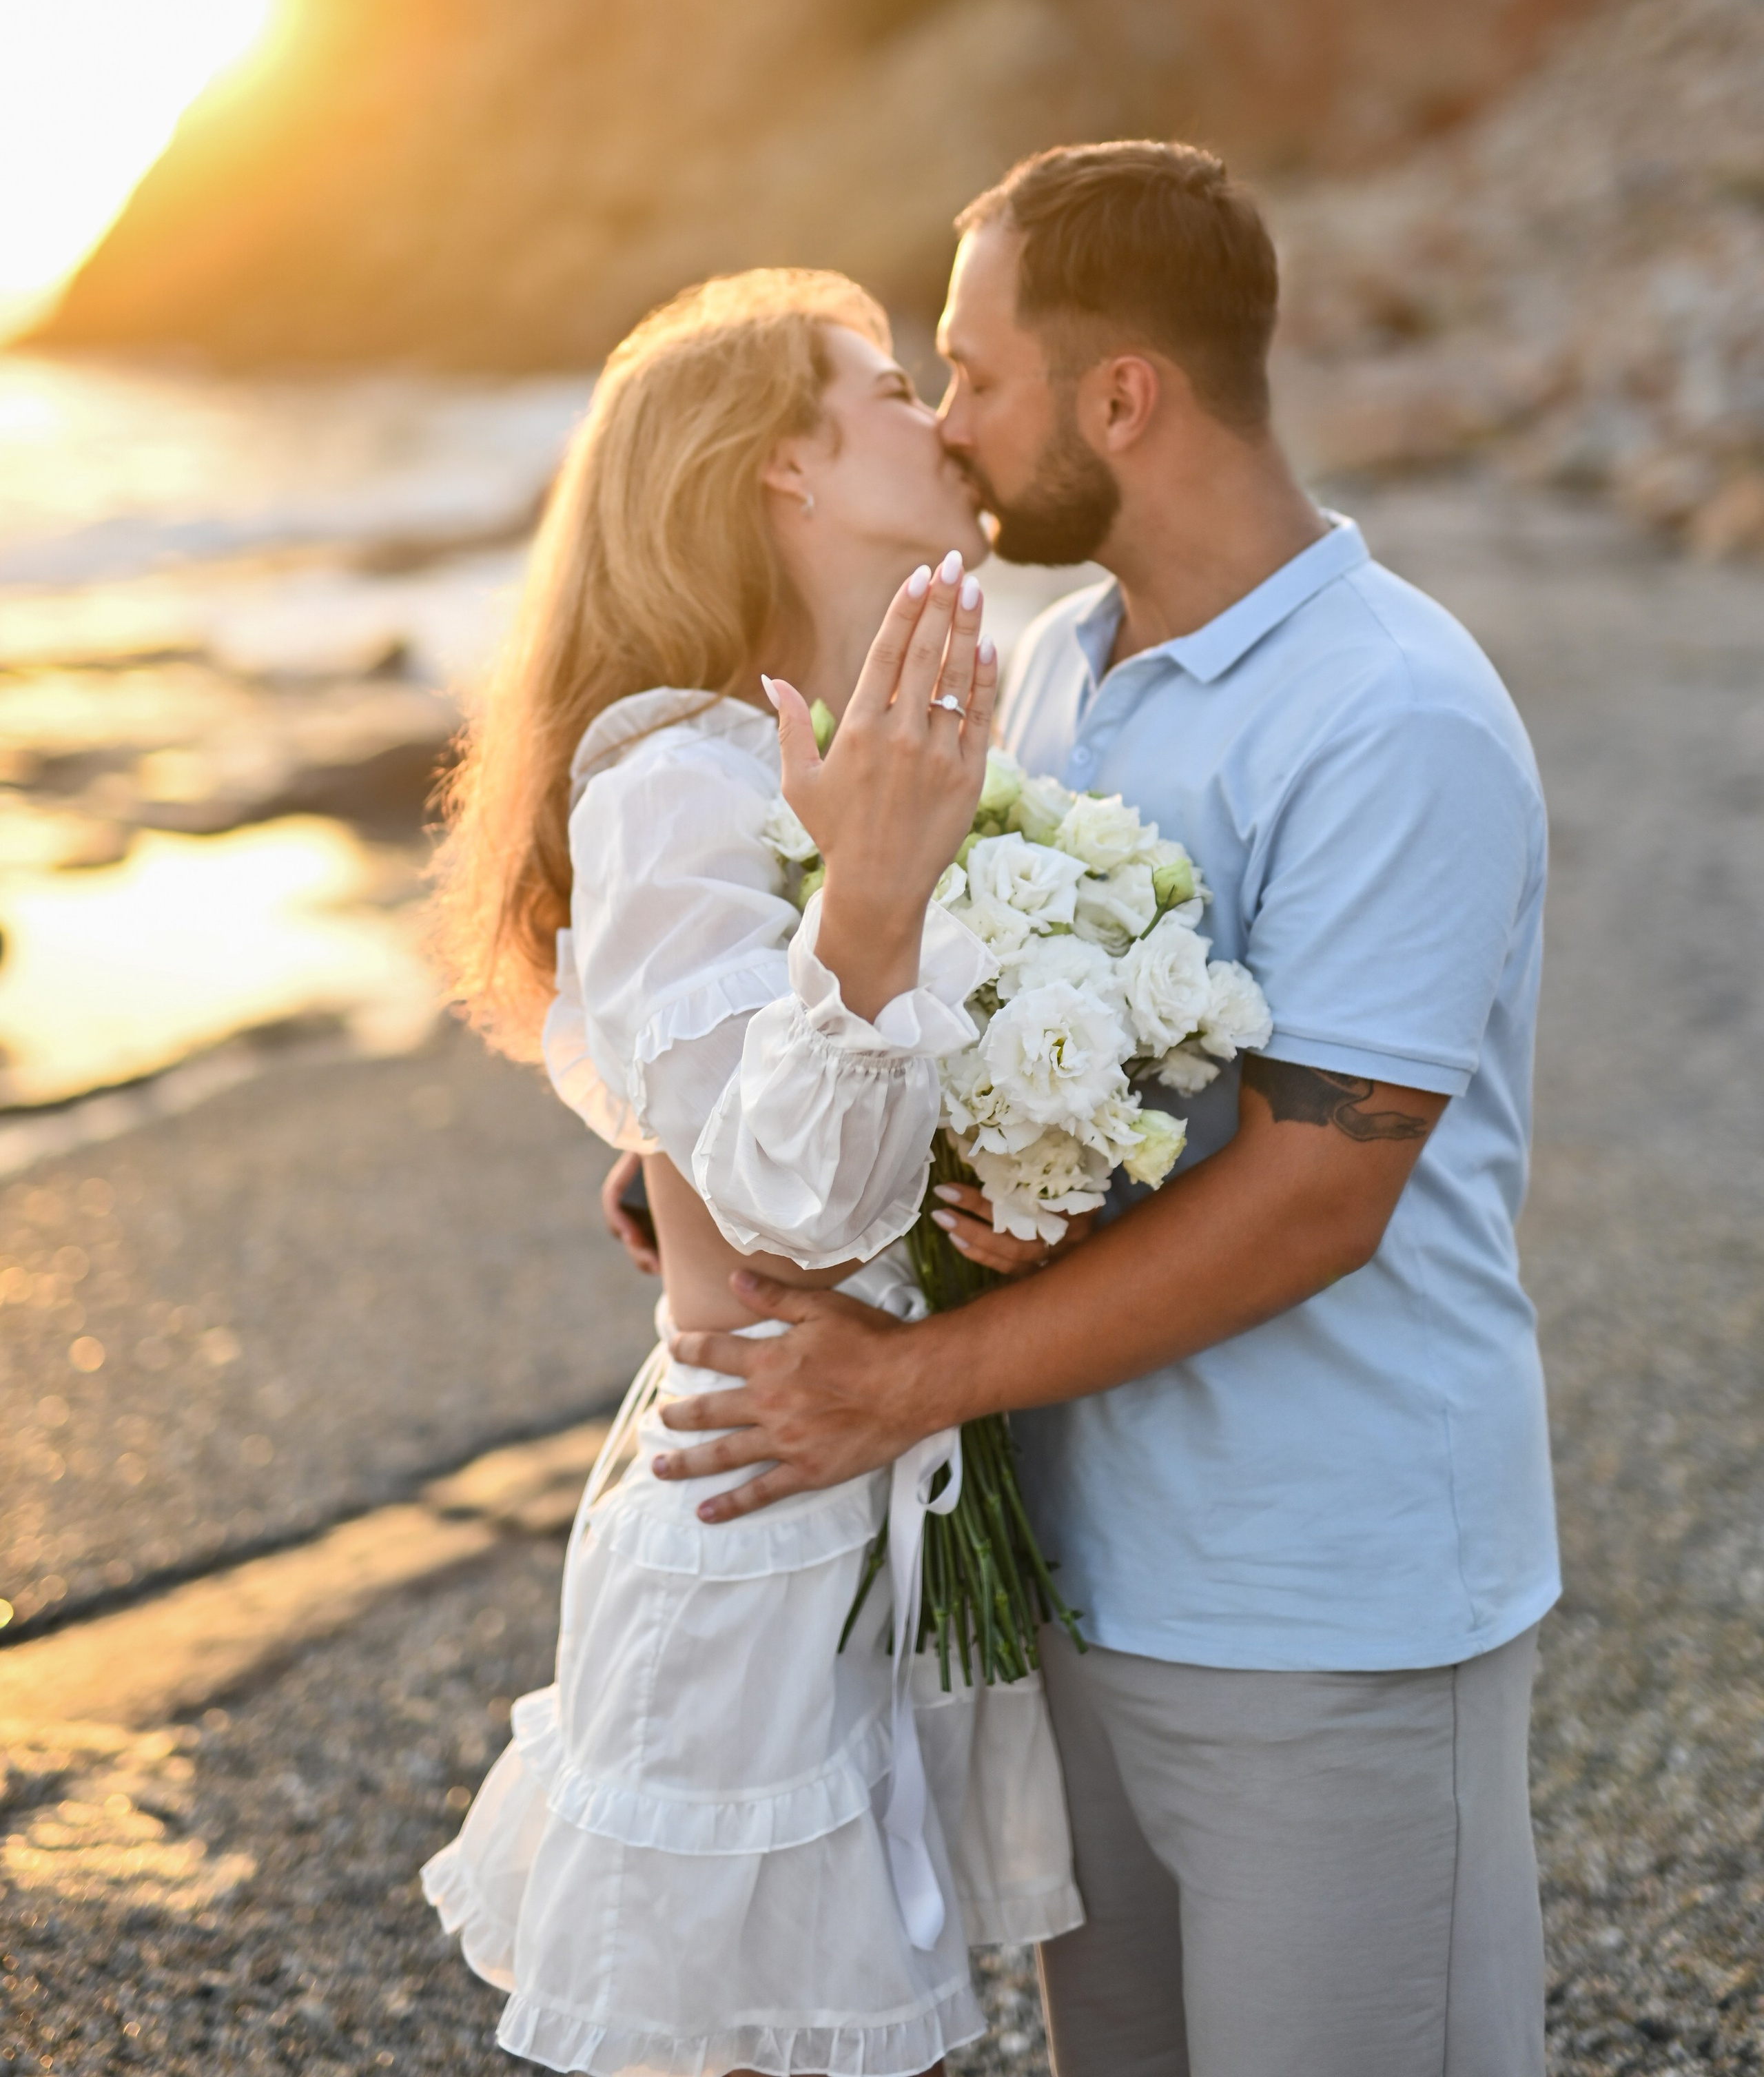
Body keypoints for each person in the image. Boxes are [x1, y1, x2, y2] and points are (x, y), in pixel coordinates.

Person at [651, 145, 1559, 2077]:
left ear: (1123, 397)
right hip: (1081, 1576)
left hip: (1331, 1600)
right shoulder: (1050, 672)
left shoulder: (1390, 710)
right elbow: (939, 1072)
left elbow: (1319, 1196)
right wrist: (723, 1182)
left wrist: (894, 1391)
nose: (953, 428)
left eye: (974, 374)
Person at [421, 267, 1081, 2077]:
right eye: (884, 387)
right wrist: (868, 900)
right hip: (766, 1528)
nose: (939, 416)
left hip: (873, 1499)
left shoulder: (888, 752)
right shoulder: (676, 771)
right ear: (775, 470)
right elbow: (804, 1198)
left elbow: (792, 1143)